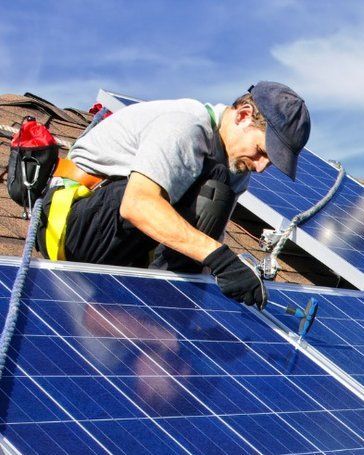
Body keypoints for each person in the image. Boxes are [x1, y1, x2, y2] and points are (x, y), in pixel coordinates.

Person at [36, 82, 310, 309]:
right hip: (73, 225)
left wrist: (219, 305)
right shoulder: (186, 126)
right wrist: (220, 259)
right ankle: (160, 305)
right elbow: (137, 204)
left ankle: (165, 309)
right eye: (261, 151)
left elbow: (208, 239)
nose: (261, 167)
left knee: (218, 190)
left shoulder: (235, 168)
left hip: (122, 242)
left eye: (270, 162)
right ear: (242, 116)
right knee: (210, 188)